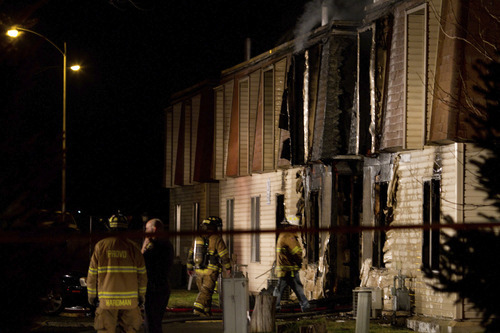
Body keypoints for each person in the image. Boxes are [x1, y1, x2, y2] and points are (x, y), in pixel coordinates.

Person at [87, 212, 147, 332]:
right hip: (130, 302)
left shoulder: (101, 246)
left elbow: (92, 274)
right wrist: (141, 295)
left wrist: (92, 295)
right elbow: (142, 275)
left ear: (110, 227)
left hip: (107, 302)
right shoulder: (134, 247)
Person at [186, 216, 232, 316]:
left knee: (206, 293)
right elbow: (224, 255)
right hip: (210, 271)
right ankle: (197, 310)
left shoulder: (197, 239)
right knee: (206, 292)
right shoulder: (217, 239)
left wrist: (189, 267)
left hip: (199, 270)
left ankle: (206, 312)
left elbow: (190, 254)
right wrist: (228, 267)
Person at [141, 218, 174, 333]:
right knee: (156, 322)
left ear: (154, 229)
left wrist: (145, 244)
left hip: (154, 288)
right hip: (163, 286)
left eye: (147, 229)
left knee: (151, 323)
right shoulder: (167, 244)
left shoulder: (153, 245)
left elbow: (142, 261)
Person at [273, 216, 310, 312]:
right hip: (289, 269)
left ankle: (305, 305)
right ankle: (275, 307)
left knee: (292, 288)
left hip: (285, 269)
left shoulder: (283, 235)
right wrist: (299, 262)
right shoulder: (289, 237)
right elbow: (297, 252)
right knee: (291, 288)